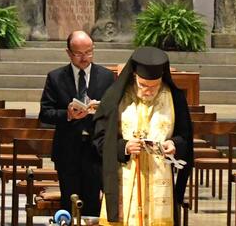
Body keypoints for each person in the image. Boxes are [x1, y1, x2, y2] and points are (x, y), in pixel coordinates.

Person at [94, 47, 193, 226]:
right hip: (124, 179)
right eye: (143, 85)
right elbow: (100, 140)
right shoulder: (115, 98)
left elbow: (185, 138)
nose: (148, 91)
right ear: (134, 77)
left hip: (160, 181)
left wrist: (174, 144)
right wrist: (124, 147)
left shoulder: (175, 98)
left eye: (154, 86)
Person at [39, 31, 116, 216]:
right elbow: (45, 114)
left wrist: (102, 109)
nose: (85, 58)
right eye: (79, 53)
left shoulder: (106, 76)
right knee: (70, 202)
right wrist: (68, 114)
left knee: (92, 205)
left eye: (89, 52)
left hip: (95, 151)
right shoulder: (55, 77)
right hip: (68, 151)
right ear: (68, 53)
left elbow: (117, 111)